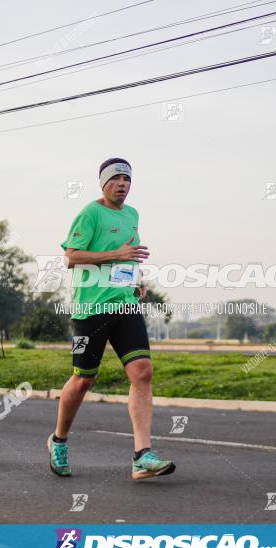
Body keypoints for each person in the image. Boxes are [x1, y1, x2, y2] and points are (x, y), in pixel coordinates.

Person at [48, 157, 175, 480]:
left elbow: (126, 252)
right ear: (103, 183)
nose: (123, 184)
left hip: (124, 305)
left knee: (142, 372)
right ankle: (59, 440)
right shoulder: (90, 214)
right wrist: (116, 255)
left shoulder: (132, 214)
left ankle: (142, 456)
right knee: (84, 379)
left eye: (127, 180)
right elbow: (72, 257)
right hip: (91, 309)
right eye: (116, 179)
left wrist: (135, 278)